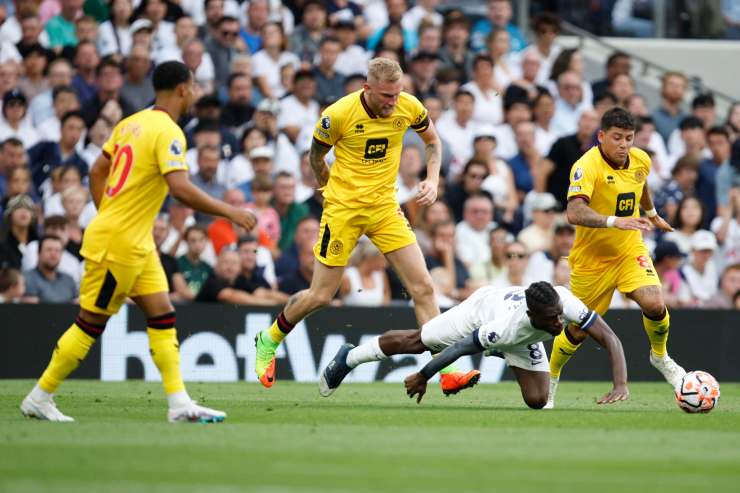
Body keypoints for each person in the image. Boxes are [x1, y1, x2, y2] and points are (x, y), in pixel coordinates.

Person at [20, 61, 257, 423]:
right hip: (120, 243)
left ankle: (179, 404)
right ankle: (40, 396)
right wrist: (231, 212)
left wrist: (109, 212)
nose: (194, 93)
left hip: (134, 241)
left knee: (162, 314)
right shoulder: (169, 131)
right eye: (192, 87)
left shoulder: (130, 123)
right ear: (181, 89)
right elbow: (179, 188)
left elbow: (97, 170)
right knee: (90, 323)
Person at [254, 57, 475, 394]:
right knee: (321, 295)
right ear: (367, 88)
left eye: (397, 94)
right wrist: (328, 189)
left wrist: (431, 179)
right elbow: (315, 157)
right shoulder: (337, 115)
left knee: (424, 288)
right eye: (386, 95)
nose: (392, 102)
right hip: (342, 212)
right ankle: (268, 340)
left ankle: (446, 369)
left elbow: (433, 141)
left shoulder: (408, 106)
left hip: (385, 208)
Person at [547, 107, 686, 409]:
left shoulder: (641, 159)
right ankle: (551, 376)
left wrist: (651, 213)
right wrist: (614, 221)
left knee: (653, 301)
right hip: (591, 260)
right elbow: (574, 211)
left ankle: (660, 357)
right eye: (617, 138)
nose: (624, 144)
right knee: (576, 331)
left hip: (628, 250)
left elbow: (641, 183)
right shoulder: (586, 166)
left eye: (629, 138)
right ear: (601, 136)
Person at [319, 281, 629, 409]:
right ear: (534, 314)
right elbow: (459, 349)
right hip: (480, 312)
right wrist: (423, 376)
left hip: (520, 337)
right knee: (418, 341)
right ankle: (350, 358)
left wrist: (620, 383)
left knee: (537, 400)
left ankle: (501, 352)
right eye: (552, 320)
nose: (559, 324)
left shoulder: (563, 303)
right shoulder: (505, 327)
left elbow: (610, 337)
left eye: (559, 316)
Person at [22, 234, 78, 303]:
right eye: (49, 250)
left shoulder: (69, 280)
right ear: (38, 253)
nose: (53, 254)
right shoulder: (25, 279)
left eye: (57, 250)